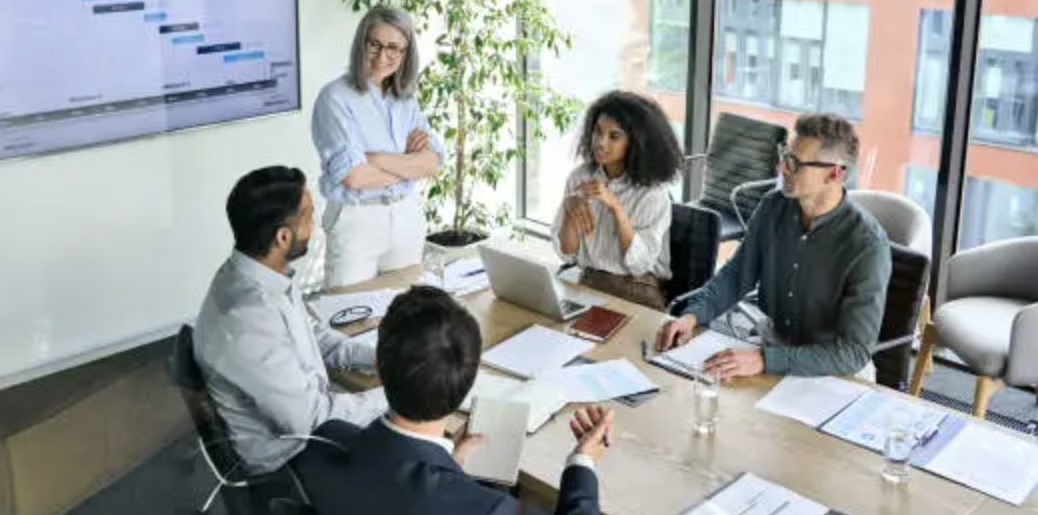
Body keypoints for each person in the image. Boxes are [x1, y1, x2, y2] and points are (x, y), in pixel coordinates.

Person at [296, 285, 611, 515]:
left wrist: (450, 468)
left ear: (378, 364)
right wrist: (582, 462)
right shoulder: (487, 508)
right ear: (468, 382)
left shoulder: (323, 443)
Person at [654, 113, 891, 380]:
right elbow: (735, 275)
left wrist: (765, 360)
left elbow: (852, 352)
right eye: (784, 155)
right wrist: (692, 317)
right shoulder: (772, 206)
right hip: (771, 347)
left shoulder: (868, 245)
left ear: (834, 173)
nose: (782, 168)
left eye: (795, 163)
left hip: (834, 370)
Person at [193, 166, 387, 475]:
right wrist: (399, 393)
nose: (317, 224)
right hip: (291, 461)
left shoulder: (258, 274)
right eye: (308, 216)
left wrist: (380, 358)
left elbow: (312, 337)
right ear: (283, 237)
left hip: (306, 424)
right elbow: (313, 420)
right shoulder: (246, 319)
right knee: (415, 453)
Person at [312, 6, 443, 288]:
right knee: (350, 316)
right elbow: (354, 176)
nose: (383, 56)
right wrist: (408, 165)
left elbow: (433, 162)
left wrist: (374, 158)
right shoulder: (334, 98)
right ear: (361, 43)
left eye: (394, 47)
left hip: (405, 215)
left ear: (406, 53)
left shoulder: (406, 99)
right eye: (374, 44)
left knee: (407, 314)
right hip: (356, 218)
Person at [551, 90, 685, 310]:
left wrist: (616, 208)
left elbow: (639, 265)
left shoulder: (653, 193)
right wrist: (569, 212)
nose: (600, 143)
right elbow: (568, 254)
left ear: (636, 142)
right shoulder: (580, 178)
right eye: (598, 131)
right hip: (590, 281)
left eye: (614, 136)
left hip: (638, 290)